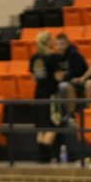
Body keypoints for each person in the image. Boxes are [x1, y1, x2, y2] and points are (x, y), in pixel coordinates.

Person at [29, 31, 59, 163]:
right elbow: (58, 76)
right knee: (52, 124)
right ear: (48, 41)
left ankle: (41, 156)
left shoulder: (34, 57)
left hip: (38, 93)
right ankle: (48, 154)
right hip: (50, 93)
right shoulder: (53, 56)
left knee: (40, 125)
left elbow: (33, 77)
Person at [53, 33, 88, 124]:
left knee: (63, 86)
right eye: (57, 44)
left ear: (67, 44)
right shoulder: (56, 56)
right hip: (67, 80)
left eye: (62, 44)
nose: (59, 46)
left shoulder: (74, 54)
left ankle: (71, 115)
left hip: (80, 81)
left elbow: (75, 72)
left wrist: (62, 77)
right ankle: (58, 115)